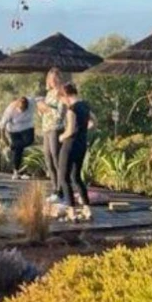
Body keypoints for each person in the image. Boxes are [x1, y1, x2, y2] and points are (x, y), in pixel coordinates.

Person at [56, 82, 94, 222]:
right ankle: (87, 209)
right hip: (81, 145)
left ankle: (71, 210)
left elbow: (70, 130)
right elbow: (93, 122)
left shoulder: (71, 110)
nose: (62, 103)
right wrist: (83, 130)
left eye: (61, 99)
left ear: (65, 96)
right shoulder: (85, 106)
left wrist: (61, 137)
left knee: (63, 178)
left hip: (69, 145)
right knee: (77, 177)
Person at [36, 68, 67, 200]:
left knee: (56, 158)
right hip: (46, 128)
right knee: (48, 159)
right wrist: (40, 109)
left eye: (55, 79)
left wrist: (47, 108)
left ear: (59, 79)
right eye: (50, 79)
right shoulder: (48, 93)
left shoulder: (62, 93)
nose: (53, 81)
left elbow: (60, 114)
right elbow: (43, 113)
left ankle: (61, 189)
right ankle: (55, 188)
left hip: (56, 127)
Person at [0, 97, 35, 179]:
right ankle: (16, 171)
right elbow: (2, 126)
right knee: (18, 149)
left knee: (29, 141)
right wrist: (4, 139)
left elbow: (41, 101)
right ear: (17, 107)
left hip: (27, 128)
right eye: (20, 110)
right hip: (14, 130)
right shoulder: (10, 110)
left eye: (24, 110)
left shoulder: (31, 102)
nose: (22, 112)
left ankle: (12, 147)